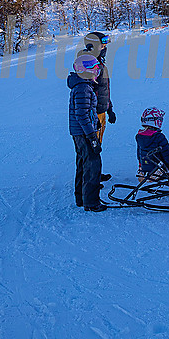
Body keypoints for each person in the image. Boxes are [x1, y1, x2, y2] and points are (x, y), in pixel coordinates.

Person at [68, 54, 106, 212]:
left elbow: (86, 112)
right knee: (92, 165)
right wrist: (92, 137)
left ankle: (81, 198)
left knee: (84, 163)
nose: (97, 72)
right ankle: (91, 202)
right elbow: (81, 115)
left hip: (82, 131)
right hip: (84, 133)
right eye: (94, 69)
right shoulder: (83, 88)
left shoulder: (84, 86)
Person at [81, 32, 116, 144]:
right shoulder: (88, 65)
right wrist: (93, 117)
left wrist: (109, 109)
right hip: (93, 114)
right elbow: (86, 93)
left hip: (101, 112)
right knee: (91, 148)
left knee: (97, 145)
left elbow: (102, 90)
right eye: (102, 46)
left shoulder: (99, 62)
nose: (105, 48)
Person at [136, 107, 169, 182]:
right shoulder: (159, 137)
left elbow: (139, 154)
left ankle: (143, 172)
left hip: (145, 166)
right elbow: (167, 155)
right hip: (158, 166)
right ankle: (157, 173)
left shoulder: (139, 136)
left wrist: (140, 165)